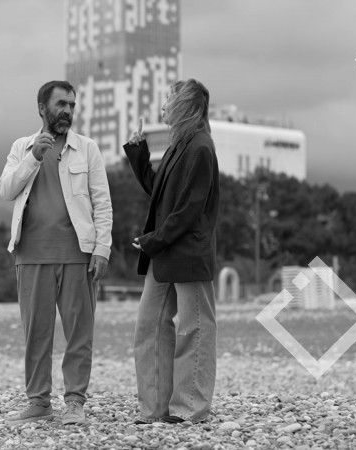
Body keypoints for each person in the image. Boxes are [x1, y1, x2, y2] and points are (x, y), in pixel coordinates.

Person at [0, 80, 113, 426]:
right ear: (42, 108)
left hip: (79, 253)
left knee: (79, 333)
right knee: (36, 334)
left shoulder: (87, 148)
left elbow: (102, 202)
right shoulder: (21, 147)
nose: (67, 111)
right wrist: (33, 157)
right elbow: (5, 190)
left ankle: (75, 402)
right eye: (61, 104)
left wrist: (102, 249)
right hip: (31, 255)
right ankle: (38, 402)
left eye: (72, 105)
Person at [122, 79, 220, 425]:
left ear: (185, 105)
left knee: (195, 329)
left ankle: (189, 409)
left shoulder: (201, 147)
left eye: (169, 98)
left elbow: (189, 209)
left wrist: (155, 239)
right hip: (165, 252)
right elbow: (159, 191)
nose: (163, 105)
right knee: (149, 327)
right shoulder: (180, 145)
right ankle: (155, 409)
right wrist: (139, 153)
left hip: (187, 253)